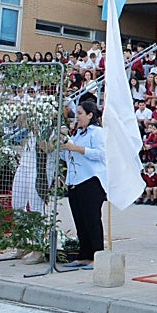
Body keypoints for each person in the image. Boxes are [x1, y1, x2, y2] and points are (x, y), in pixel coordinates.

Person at [61, 100, 107, 268]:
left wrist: (76, 148)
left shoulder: (97, 133)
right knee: (79, 219)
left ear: (90, 115)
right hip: (75, 180)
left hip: (91, 180)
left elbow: (101, 154)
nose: (77, 117)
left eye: (80, 113)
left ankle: (97, 255)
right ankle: (84, 254)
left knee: (92, 219)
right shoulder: (78, 134)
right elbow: (70, 155)